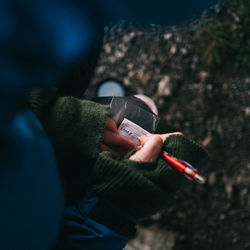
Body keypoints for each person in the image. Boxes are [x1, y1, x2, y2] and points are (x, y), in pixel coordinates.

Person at [1, 1, 212, 249]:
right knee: (140, 112)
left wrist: (52, 117)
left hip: (40, 159)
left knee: (132, 108)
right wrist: (112, 207)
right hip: (64, 201)